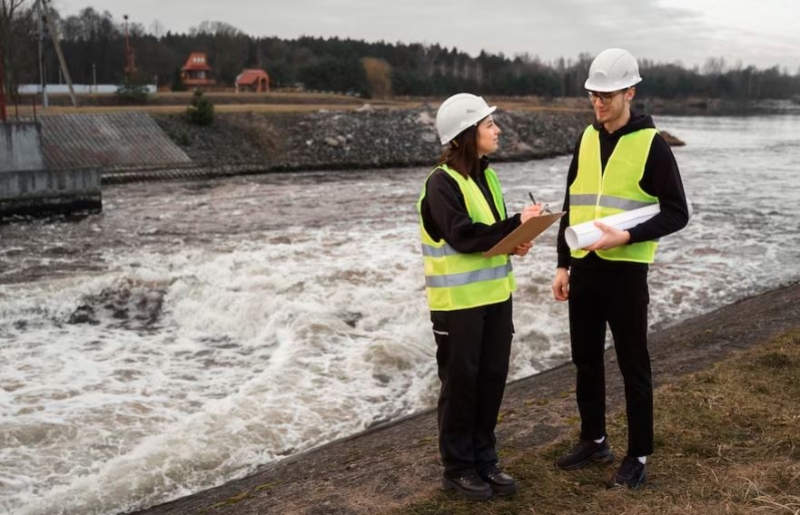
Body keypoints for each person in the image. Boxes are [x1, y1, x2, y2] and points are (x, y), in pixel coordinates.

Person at [551, 48, 690, 488]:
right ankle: (594, 439)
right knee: (586, 361)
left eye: (608, 94)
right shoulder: (586, 138)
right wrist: (561, 263)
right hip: (585, 271)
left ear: (630, 92)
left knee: (634, 366)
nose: (600, 102)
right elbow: (572, 203)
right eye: (594, 94)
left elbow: (677, 212)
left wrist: (627, 236)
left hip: (627, 275)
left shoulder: (652, 145)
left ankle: (639, 456)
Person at [417, 93, 541, 501]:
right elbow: (463, 236)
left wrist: (517, 240)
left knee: (490, 381)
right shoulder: (441, 183)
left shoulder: (488, 177)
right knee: (461, 385)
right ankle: (458, 469)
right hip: (457, 307)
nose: (497, 130)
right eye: (489, 125)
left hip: (495, 298)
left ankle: (485, 460)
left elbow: (491, 237)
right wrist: (513, 226)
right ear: (468, 135)